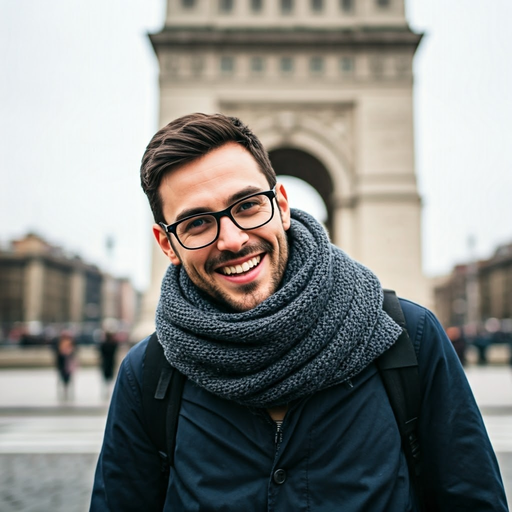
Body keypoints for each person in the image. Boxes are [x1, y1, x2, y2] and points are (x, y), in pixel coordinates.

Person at [90, 113, 508, 511]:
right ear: (167, 245)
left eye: (248, 205)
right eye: (197, 223)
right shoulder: (146, 374)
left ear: (282, 204)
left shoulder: (409, 337)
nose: (233, 240)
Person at [55, 332, 77, 402]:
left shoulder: (69, 343)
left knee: (68, 378)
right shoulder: (61, 343)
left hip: (67, 364)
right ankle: (65, 391)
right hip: (63, 364)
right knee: (63, 378)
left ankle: (67, 391)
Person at [98, 332, 119, 399]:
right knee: (110, 376)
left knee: (105, 376)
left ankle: (106, 389)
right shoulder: (113, 344)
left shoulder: (103, 344)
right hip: (111, 362)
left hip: (105, 362)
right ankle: (108, 389)